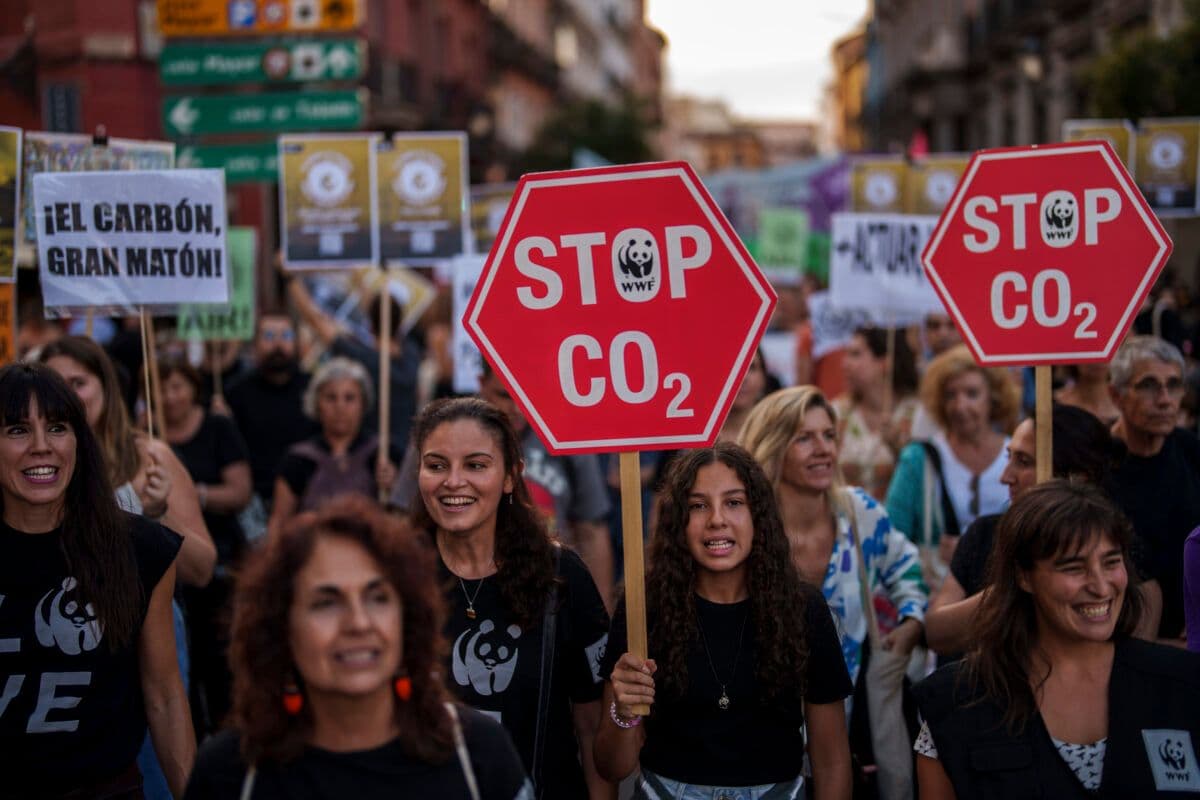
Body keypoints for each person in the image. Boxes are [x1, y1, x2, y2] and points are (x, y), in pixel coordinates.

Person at [183, 495, 533, 799]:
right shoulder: (230, 774)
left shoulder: (479, 755)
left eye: (378, 598)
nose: (358, 623)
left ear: (407, 621)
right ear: (281, 630)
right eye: (326, 603)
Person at [595, 443, 853, 798]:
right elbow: (611, 766)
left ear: (758, 516)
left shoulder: (803, 608)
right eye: (698, 505)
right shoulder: (643, 608)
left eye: (733, 502)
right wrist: (623, 713)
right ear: (678, 522)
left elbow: (832, 761)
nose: (717, 519)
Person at [913, 481, 1200, 798]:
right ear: (1023, 576)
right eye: (1073, 567)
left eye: (1111, 562)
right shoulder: (955, 703)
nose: (1101, 587)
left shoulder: (1184, 684)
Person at [0, 362, 194, 798]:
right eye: (16, 430)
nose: (40, 447)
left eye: (57, 428)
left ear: (78, 442)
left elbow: (164, 696)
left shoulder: (141, 551)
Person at [410, 397, 613, 799]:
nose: (453, 481)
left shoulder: (562, 576)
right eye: (436, 465)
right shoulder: (396, 577)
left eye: (476, 465)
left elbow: (592, 730)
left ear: (510, 476)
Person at [740, 386, 926, 799]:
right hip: (760, 734)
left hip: (846, 729)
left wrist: (912, 622)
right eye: (804, 438)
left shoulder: (859, 514)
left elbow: (906, 567)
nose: (822, 449)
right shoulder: (745, 527)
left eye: (828, 435)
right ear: (772, 446)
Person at [924, 405, 1129, 656]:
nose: (1005, 477)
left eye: (1024, 462)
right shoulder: (985, 534)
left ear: (1077, 477)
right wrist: (1010, 588)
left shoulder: (1119, 541)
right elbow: (936, 632)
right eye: (1009, 457)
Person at [40, 336, 216, 587]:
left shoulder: (150, 457)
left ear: (106, 388)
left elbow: (202, 571)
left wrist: (158, 514)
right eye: (56, 385)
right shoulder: (33, 464)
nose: (68, 395)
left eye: (78, 383)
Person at [160, 355, 253, 731]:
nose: (169, 396)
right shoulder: (144, 433)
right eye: (161, 387)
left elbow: (239, 490)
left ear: (193, 388)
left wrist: (189, 494)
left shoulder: (217, 427)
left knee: (218, 665)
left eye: (177, 386)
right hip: (167, 569)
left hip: (218, 564)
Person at [886, 344, 1020, 581]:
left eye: (972, 393)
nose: (960, 406)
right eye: (950, 395)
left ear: (994, 397)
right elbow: (892, 538)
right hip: (935, 594)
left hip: (1006, 592)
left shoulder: (1019, 456)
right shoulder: (918, 459)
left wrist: (974, 551)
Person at [1109, 335, 1200, 642]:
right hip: (1121, 637)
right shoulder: (1096, 464)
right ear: (1116, 395)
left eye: (1174, 385)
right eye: (1148, 385)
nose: (1164, 399)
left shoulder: (1191, 452)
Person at [287, 269, 422, 451]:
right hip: (407, 451)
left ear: (370, 322)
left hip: (373, 455)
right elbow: (377, 307)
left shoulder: (364, 358)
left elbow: (317, 321)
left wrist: (289, 278)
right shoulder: (411, 355)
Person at [267, 357, 400, 538]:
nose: (340, 407)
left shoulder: (385, 453)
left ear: (363, 403)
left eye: (349, 398)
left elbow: (405, 520)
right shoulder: (297, 459)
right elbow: (279, 524)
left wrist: (394, 488)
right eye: (331, 398)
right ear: (316, 403)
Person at [224, 313, 319, 516]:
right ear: (255, 344)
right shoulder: (236, 392)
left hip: (308, 499)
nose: (277, 344)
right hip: (254, 502)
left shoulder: (315, 390)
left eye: (285, 336)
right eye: (268, 336)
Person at [834, 326, 920, 501]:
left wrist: (898, 450)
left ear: (884, 362)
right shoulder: (836, 412)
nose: (845, 363)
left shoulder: (918, 413)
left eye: (856, 354)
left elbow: (926, 482)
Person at [1055, 364, 1120, 426]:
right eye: (1091, 353)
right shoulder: (1054, 404)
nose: (1097, 361)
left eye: (1103, 352)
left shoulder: (1124, 401)